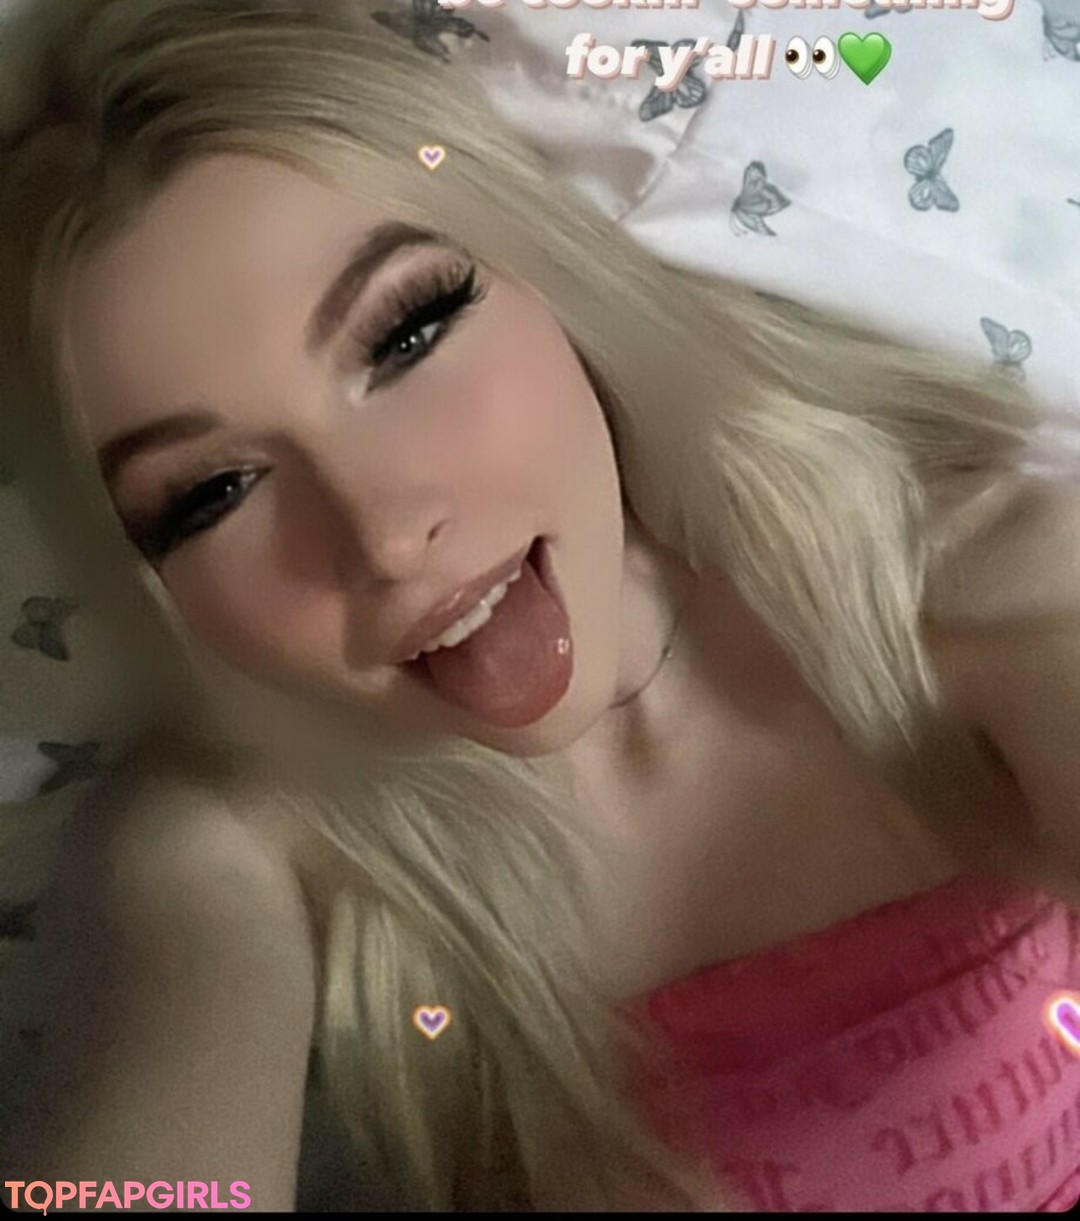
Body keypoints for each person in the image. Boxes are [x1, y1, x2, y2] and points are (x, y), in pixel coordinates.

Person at [1, 0, 1079, 1211]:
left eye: (405, 333)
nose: (382, 533)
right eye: (213, 493)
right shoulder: (227, 853)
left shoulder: (962, 583)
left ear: (553, 286)